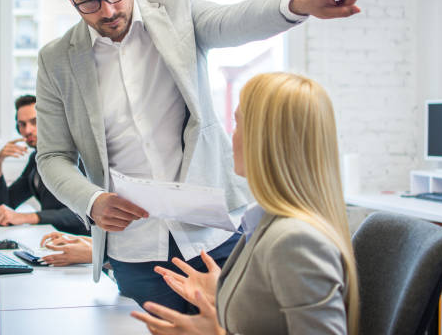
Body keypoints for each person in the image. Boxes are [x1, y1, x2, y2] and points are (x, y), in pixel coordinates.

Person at [35, 0, 365, 312]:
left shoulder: (177, 12)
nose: (108, 10)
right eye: (89, 3)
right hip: (136, 252)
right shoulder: (56, 60)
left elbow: (235, 20)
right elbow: (52, 156)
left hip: (215, 234)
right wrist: (91, 200)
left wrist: (303, 1)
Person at [131, 72, 360, 334]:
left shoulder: (297, 241)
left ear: (265, 140)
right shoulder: (266, 221)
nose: (232, 135)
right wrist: (225, 290)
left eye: (237, 124)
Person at [0, 95, 89, 236]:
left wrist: (28, 217)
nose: (28, 130)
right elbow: (7, 203)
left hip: (79, 242)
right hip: (51, 238)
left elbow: (85, 212)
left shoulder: (73, 155)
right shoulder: (35, 159)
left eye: (34, 122)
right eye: (22, 124)